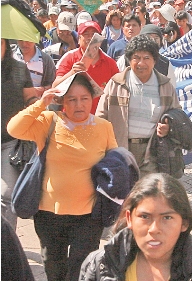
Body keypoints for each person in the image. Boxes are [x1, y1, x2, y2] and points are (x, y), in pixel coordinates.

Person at [7, 73, 118, 281]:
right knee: (53, 267)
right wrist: (41, 104)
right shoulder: (49, 121)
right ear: (63, 102)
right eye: (72, 99)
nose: (79, 105)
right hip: (49, 214)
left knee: (81, 268)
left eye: (84, 98)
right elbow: (14, 129)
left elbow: (114, 162)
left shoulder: (104, 127)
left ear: (92, 99)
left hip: (88, 215)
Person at [79, 173, 192, 281]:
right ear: (129, 219)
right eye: (145, 217)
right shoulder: (99, 265)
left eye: (167, 218)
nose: (154, 229)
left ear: (184, 223)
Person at [96, 35, 180, 177]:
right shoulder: (116, 83)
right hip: (120, 150)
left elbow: (177, 116)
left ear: (154, 60)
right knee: (124, 195)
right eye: (136, 57)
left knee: (147, 194)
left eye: (146, 58)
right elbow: (100, 117)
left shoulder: (165, 86)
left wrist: (168, 128)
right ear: (129, 59)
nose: (141, 63)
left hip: (152, 153)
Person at [1, 38, 38, 230]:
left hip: (10, 142)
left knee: (7, 195)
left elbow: (30, 97)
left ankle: (7, 247)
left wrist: (40, 103)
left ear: (6, 45)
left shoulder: (18, 68)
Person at [53, 21, 119, 114]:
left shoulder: (110, 62)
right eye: (86, 34)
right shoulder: (69, 57)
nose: (90, 38)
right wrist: (71, 73)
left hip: (99, 118)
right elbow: (55, 86)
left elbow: (118, 90)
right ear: (79, 39)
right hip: (71, 117)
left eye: (93, 34)